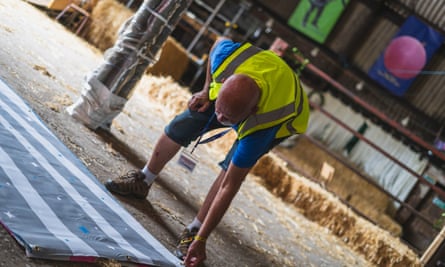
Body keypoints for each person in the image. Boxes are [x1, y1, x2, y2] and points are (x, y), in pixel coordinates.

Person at [104, 37, 310, 267]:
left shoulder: (261, 127)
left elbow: (229, 185)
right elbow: (218, 43)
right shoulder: (226, 60)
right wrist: (205, 91)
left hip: (284, 114)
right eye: (219, 110)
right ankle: (143, 179)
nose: (220, 119)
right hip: (248, 86)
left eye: (227, 119)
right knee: (186, 121)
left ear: (252, 111)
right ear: (225, 81)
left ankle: (194, 230)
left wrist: (203, 239)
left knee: (230, 169)